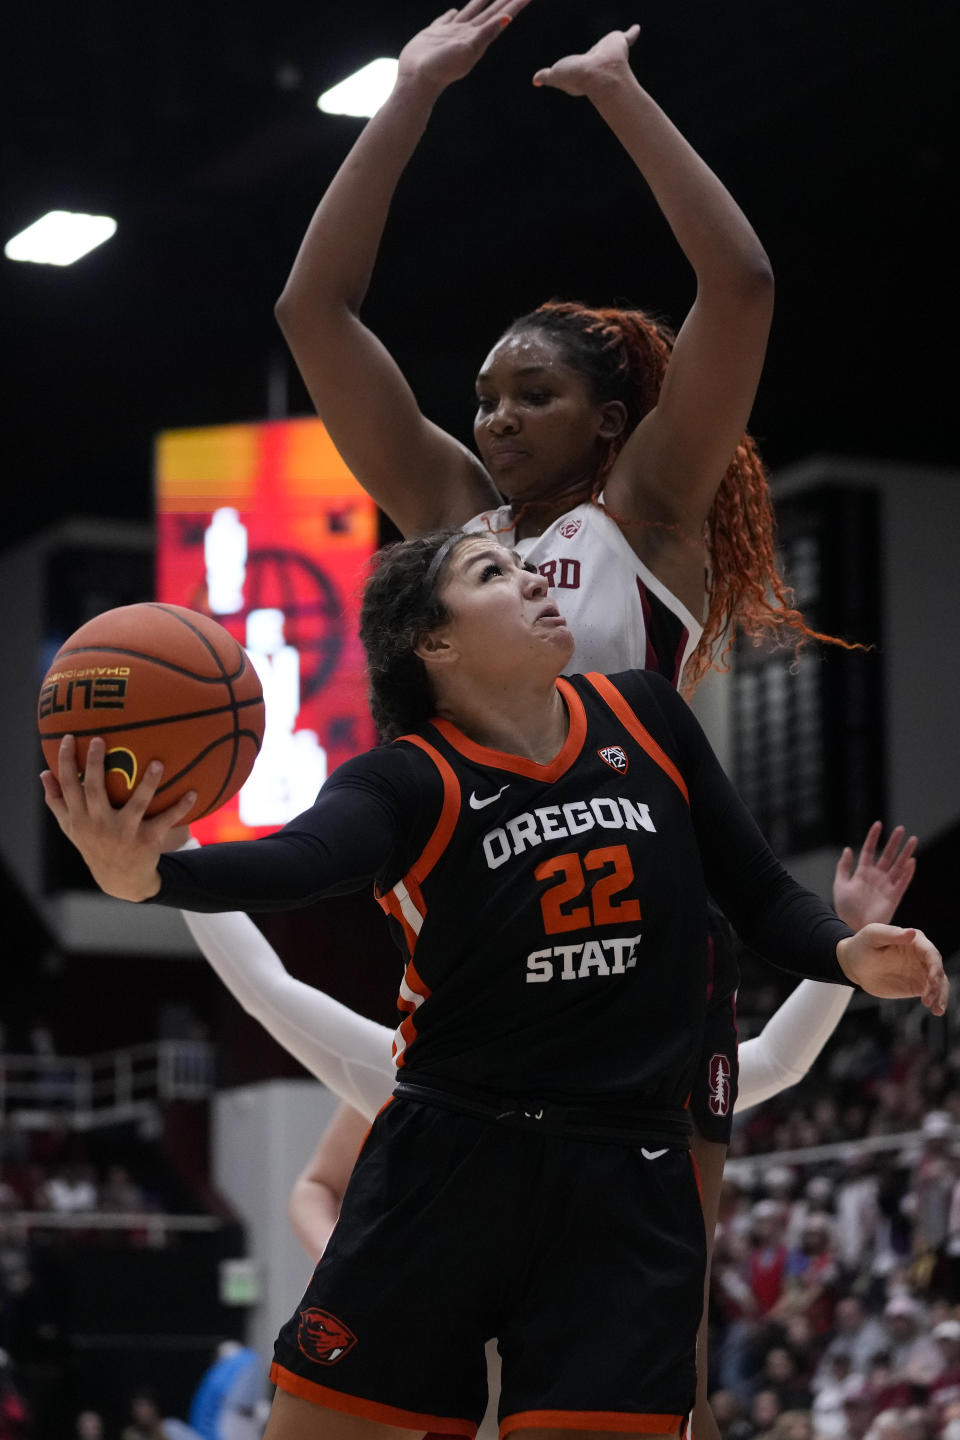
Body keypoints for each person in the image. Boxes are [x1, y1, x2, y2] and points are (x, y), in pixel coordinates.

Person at [275, 6, 869, 1435]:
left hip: (644, 988)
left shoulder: (645, 518)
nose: (491, 421)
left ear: (609, 421)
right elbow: (315, 316)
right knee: (431, 1363)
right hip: (480, 967)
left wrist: (618, 95)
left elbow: (740, 283)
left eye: (530, 395)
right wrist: (408, 96)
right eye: (481, 398)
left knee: (633, 1365)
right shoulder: (442, 525)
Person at [41, 531, 948, 1440]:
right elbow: (298, 863)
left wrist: (843, 952)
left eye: (520, 564)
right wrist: (154, 879)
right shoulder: (406, 781)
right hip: (449, 1165)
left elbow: (755, 890)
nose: (530, 577)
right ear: (431, 644)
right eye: (492, 573)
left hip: (623, 1177)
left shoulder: (646, 715)